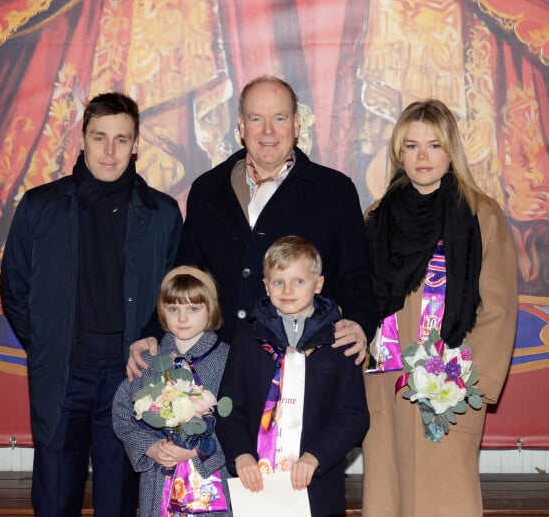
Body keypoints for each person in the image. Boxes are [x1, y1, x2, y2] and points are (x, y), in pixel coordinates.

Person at [0, 92, 183, 517]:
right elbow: (15, 291)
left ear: (137, 144)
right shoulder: (40, 207)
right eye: (100, 137)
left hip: (130, 380)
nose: (110, 150)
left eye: (122, 139)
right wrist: (52, 344)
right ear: (81, 139)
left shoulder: (163, 214)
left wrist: (149, 343)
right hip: (63, 378)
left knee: (118, 504)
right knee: (54, 501)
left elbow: (173, 300)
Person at [127, 75, 378, 379]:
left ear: (297, 124)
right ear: (242, 127)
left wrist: (360, 323)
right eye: (257, 118)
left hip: (304, 370)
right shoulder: (208, 190)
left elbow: (356, 279)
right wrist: (153, 332)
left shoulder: (335, 192)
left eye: (280, 118)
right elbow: (186, 276)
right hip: (216, 370)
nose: (268, 131)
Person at [362, 99, 518, 517]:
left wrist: (462, 381)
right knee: (387, 499)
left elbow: (499, 311)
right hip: (386, 388)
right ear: (399, 153)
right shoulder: (376, 217)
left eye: (434, 144)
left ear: (451, 150)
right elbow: (359, 303)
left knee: (445, 500)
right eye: (411, 146)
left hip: (451, 390)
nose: (423, 156)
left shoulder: (480, 215)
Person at [216, 236, 369, 517]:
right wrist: (241, 454)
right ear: (265, 285)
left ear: (318, 284)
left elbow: (353, 415)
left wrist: (316, 456)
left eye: (299, 281)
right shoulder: (247, 339)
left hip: (317, 487)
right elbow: (228, 407)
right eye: (278, 282)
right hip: (257, 485)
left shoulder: (339, 341)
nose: (287, 290)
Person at [112, 266, 231, 517]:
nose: (182, 318)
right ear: (162, 312)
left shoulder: (228, 360)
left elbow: (241, 423)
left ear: (211, 308)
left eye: (193, 308)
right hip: (159, 478)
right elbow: (122, 411)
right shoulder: (149, 361)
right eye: (173, 308)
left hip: (211, 481)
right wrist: (150, 447)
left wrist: (197, 450)